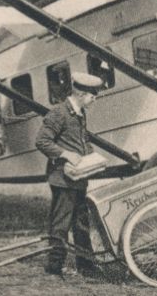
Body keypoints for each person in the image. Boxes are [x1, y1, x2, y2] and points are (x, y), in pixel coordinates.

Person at [35, 72, 104, 277]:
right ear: (82, 94)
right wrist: (65, 154)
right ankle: (54, 265)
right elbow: (42, 141)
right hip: (63, 178)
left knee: (81, 223)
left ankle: (87, 265)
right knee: (61, 224)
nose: (95, 99)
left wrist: (92, 156)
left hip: (78, 178)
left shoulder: (80, 113)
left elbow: (81, 141)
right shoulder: (59, 113)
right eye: (93, 95)